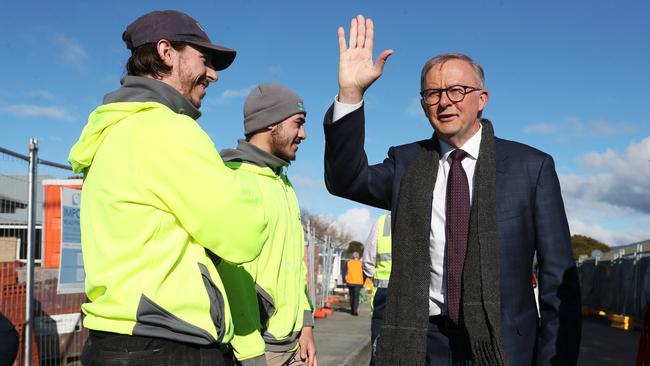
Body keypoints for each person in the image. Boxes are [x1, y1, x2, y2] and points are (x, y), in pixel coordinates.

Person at [323, 14, 581, 365]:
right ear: (423, 104)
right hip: (422, 344)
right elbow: (345, 180)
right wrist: (351, 95)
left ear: (482, 98)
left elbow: (557, 281)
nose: (445, 102)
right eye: (433, 93)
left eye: (457, 90)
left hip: (502, 346)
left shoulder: (530, 168)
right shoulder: (407, 162)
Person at [68, 10, 268, 365]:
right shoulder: (167, 129)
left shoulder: (111, 132)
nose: (213, 75)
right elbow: (245, 235)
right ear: (166, 52)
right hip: (168, 343)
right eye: (204, 59)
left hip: (112, 341)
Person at [217, 83, 317, 366]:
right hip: (257, 350)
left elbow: (295, 266)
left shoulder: (282, 182)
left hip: (293, 343)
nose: (304, 134)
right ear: (270, 124)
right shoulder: (234, 180)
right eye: (298, 123)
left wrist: (306, 324)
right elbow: (231, 276)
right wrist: (251, 355)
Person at [361, 214, 391, 366]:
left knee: (378, 349)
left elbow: (367, 262)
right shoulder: (425, 216)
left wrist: (379, 277)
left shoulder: (382, 222)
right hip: (415, 296)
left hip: (383, 296)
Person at [346, 252, 364, 316]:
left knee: (351, 296)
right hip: (358, 282)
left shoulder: (349, 262)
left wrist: (344, 279)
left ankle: (352, 309)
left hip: (350, 281)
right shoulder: (361, 263)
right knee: (356, 297)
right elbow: (364, 273)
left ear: (353, 256)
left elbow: (345, 271)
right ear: (358, 257)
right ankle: (355, 310)